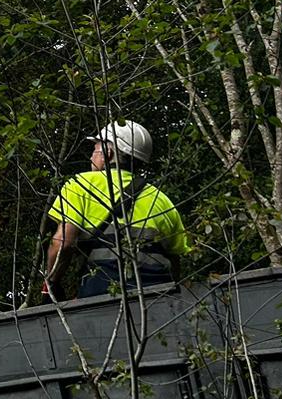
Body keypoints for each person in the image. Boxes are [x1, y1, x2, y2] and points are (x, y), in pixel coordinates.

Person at [42, 120, 188, 300]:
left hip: (103, 297)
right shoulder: (163, 200)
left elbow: (63, 243)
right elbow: (175, 262)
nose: (90, 158)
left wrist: (51, 284)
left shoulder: (79, 185)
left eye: (94, 150)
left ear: (107, 152)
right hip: (161, 298)